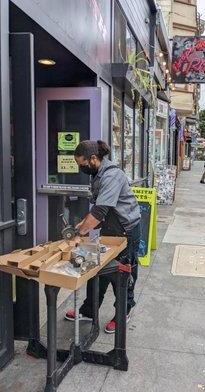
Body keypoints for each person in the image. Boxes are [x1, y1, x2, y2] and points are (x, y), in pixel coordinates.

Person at [64, 140, 141, 334]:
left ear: (93, 159)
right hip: (110, 228)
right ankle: (89, 311)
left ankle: (124, 311)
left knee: (123, 273)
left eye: (82, 164)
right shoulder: (97, 174)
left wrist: (79, 234)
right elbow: (96, 211)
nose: (80, 168)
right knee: (96, 268)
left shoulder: (112, 176)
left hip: (126, 230)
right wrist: (81, 225)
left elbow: (100, 211)